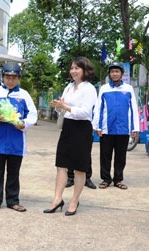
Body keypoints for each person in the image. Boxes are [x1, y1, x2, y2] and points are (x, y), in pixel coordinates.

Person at [0, 62, 37, 213]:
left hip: (16, 142)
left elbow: (33, 115)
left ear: (18, 78)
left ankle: (13, 201)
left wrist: (24, 124)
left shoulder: (24, 95)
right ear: (2, 77)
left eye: (14, 78)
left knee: (14, 173)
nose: (10, 81)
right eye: (8, 77)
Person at [44, 56, 97, 216]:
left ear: (85, 70)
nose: (73, 71)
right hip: (68, 127)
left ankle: (74, 201)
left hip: (82, 129)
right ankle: (57, 199)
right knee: (61, 165)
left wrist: (65, 106)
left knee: (79, 168)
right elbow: (62, 110)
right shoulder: (69, 86)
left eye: (77, 68)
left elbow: (85, 112)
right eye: (72, 68)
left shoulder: (89, 89)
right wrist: (58, 106)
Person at [92, 62, 139, 190]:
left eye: (117, 71)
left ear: (122, 74)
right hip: (107, 128)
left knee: (121, 156)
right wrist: (97, 126)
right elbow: (98, 108)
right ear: (110, 74)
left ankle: (118, 179)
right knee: (105, 155)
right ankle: (106, 179)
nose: (114, 74)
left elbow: (134, 108)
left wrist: (135, 128)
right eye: (112, 72)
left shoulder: (128, 89)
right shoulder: (104, 88)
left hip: (123, 129)